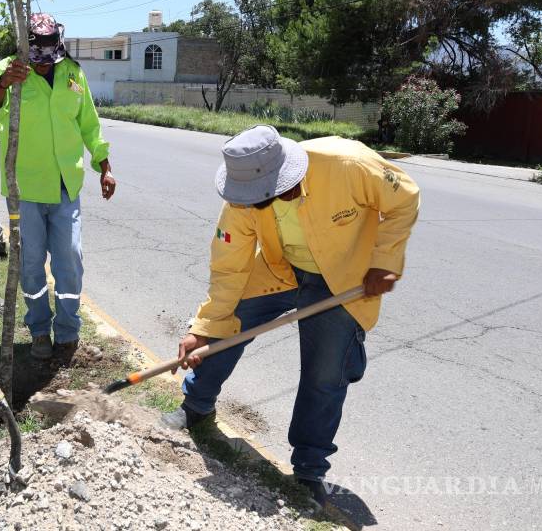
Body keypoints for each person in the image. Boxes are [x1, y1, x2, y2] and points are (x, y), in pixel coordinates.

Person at [162, 124, 419, 506]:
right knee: (228, 321)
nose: (263, 201)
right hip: (280, 271)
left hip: (342, 278)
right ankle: (197, 406)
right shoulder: (242, 196)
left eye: (274, 191)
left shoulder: (348, 163)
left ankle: (308, 471)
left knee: (324, 372)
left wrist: (384, 262)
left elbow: (404, 200)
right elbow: (229, 268)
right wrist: (202, 329)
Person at [0, 13, 115, 363]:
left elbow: (89, 125)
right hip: (25, 190)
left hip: (67, 186)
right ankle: (39, 331)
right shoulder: (7, 70)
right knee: (32, 265)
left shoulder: (71, 72)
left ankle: (68, 333)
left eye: (48, 59)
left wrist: (105, 167)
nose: (42, 66)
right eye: (36, 59)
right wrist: (4, 84)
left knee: (70, 260)